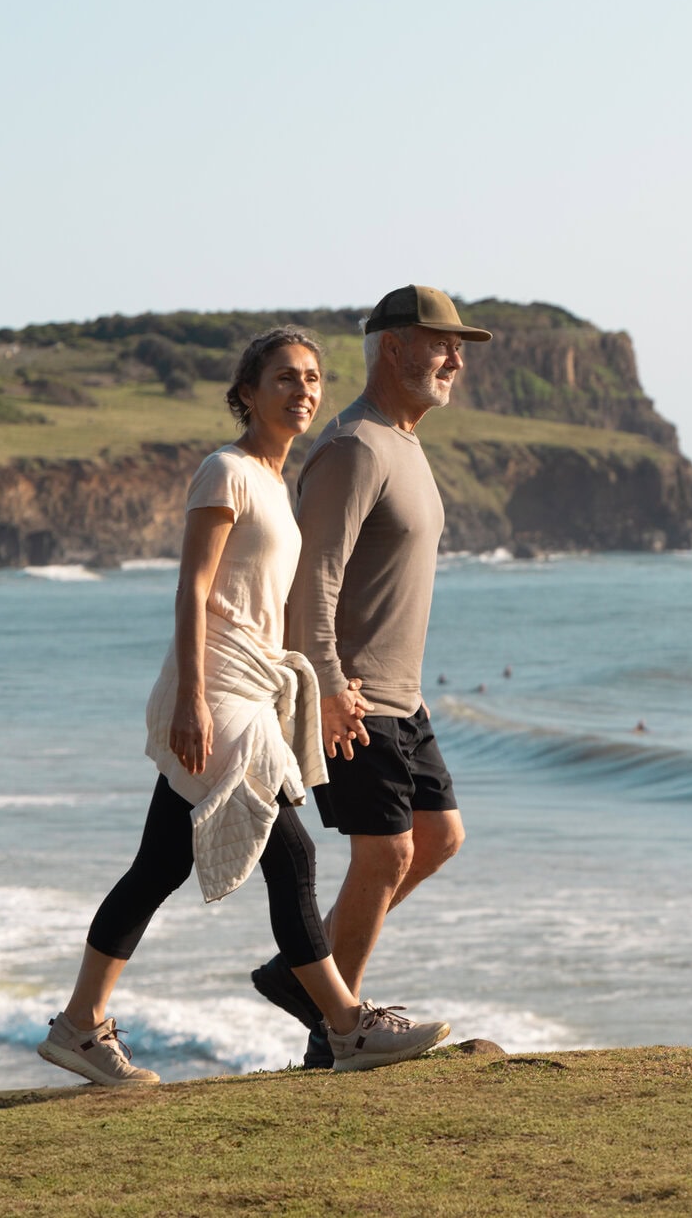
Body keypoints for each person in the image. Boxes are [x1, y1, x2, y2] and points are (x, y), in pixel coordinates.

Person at [38, 327, 445, 1087]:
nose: (304, 391)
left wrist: (327, 685)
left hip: (252, 690)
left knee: (157, 865)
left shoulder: (277, 487)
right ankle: (347, 1025)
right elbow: (193, 590)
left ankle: (79, 1025)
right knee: (293, 854)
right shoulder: (223, 470)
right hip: (217, 692)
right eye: (285, 378)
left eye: (314, 379)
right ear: (248, 393)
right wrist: (192, 697)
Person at [250, 286, 488, 1068]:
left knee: (438, 837)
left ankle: (310, 986)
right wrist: (325, 686)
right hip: (352, 695)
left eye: (459, 346)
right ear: (393, 347)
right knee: (383, 854)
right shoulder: (353, 447)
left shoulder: (404, 443)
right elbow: (312, 580)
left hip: (403, 696)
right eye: (440, 342)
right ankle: (340, 1027)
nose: (455, 358)